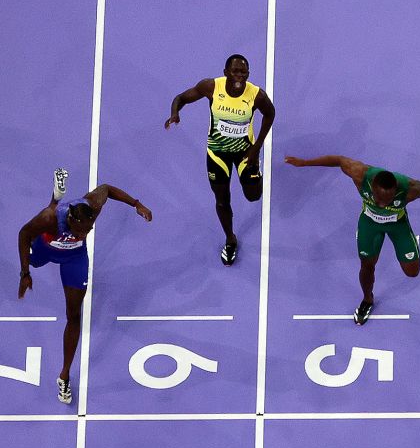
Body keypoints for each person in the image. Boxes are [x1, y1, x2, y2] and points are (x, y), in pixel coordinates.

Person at [18, 168, 152, 404]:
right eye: (81, 230)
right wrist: (25, 273)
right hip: (45, 248)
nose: (85, 233)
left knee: (74, 316)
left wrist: (136, 204)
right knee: (35, 253)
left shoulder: (92, 207)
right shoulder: (50, 220)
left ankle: (64, 376)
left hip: (74, 258)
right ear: (70, 220)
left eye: (89, 229)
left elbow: (107, 188)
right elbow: (23, 233)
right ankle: (55, 199)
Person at [283, 153, 420, 322]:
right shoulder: (360, 174)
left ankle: (407, 243)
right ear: (372, 187)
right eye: (378, 198)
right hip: (370, 224)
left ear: (395, 191)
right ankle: (367, 300)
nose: (382, 204)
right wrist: (305, 162)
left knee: (412, 272)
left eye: (388, 200)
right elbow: (338, 160)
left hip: (397, 225)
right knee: (367, 266)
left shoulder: (410, 189)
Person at [164, 54, 275, 266]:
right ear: (225, 72)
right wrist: (175, 113)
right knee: (222, 200)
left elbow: (270, 114)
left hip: (245, 153)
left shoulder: (256, 95)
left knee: (253, 196)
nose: (239, 76)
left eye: (243, 72)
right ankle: (230, 239)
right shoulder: (211, 87)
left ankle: (255, 173)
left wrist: (257, 147)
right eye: (235, 71)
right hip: (217, 154)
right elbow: (181, 97)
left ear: (248, 74)